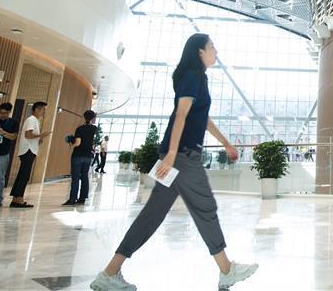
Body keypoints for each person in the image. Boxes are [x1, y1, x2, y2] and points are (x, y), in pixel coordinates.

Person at [91, 34, 258, 291]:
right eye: (212, 46)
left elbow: (201, 119)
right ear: (199, 51)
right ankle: (227, 270)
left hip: (179, 155)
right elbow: (181, 114)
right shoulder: (193, 76)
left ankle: (109, 273)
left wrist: (226, 143)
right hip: (182, 156)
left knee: (151, 215)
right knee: (205, 208)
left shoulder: (197, 78)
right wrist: (171, 154)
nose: (216, 50)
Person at [10, 102, 51, 208]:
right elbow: (28, 135)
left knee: (22, 175)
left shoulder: (35, 120)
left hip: (29, 150)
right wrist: (41, 135)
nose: (44, 112)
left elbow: (32, 137)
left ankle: (15, 199)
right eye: (43, 110)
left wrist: (40, 138)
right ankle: (19, 199)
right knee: (24, 176)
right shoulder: (32, 119)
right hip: (28, 150)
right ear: (37, 109)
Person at [63, 110, 98, 206]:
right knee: (84, 176)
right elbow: (94, 143)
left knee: (75, 177)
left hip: (78, 155)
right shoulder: (95, 129)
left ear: (84, 117)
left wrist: (72, 145)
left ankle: (72, 199)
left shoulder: (80, 129)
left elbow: (78, 143)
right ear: (93, 118)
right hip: (88, 156)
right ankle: (82, 198)